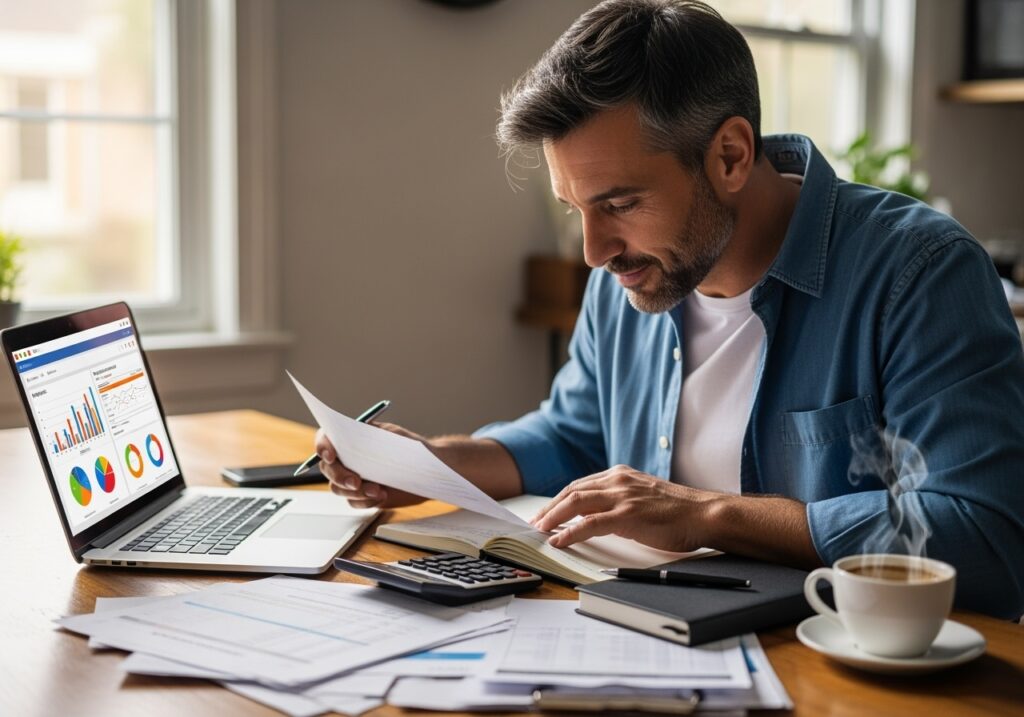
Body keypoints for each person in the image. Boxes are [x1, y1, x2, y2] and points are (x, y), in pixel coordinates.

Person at [316, 0, 1024, 619]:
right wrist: (434, 463)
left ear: (731, 155)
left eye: (619, 203)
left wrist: (707, 514)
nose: (595, 250)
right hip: (649, 633)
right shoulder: (630, 277)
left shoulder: (919, 274)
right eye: (576, 210)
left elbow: (986, 532)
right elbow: (573, 436)